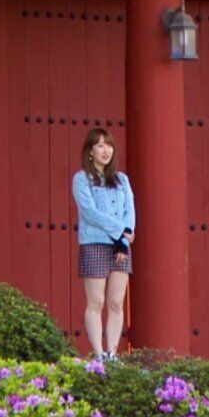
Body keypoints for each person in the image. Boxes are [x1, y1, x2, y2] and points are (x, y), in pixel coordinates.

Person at [71, 125, 135, 357]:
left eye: (108, 145)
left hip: (120, 247)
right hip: (95, 244)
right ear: (90, 151)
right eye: (99, 145)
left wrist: (124, 239)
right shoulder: (81, 179)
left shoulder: (122, 180)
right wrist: (121, 231)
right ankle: (98, 353)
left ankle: (112, 353)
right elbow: (90, 212)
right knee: (96, 302)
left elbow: (130, 211)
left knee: (116, 302)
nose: (105, 150)